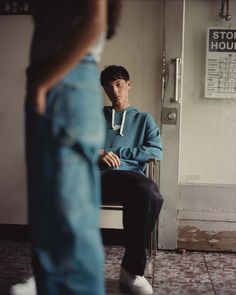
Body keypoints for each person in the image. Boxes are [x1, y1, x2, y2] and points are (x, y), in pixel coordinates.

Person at [10, 1, 121, 295]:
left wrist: (41, 85)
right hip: (59, 82)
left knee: (66, 227)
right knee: (50, 226)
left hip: (63, 83)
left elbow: (94, 21)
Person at [99, 65, 164, 295]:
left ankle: (131, 270)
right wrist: (98, 153)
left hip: (131, 181)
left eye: (118, 84)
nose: (114, 91)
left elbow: (155, 151)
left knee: (150, 193)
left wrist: (120, 153)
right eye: (108, 86)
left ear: (128, 84)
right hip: (98, 179)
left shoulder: (144, 120)